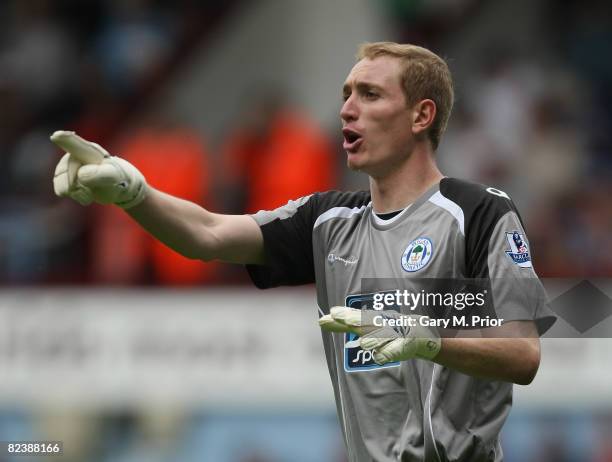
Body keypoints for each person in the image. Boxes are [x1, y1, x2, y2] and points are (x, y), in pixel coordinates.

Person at [51, 42, 555, 462]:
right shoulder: (328, 222)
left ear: (422, 115)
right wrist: (131, 192)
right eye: (346, 94)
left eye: (370, 94)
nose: (347, 108)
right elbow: (205, 233)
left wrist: (425, 340)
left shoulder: (479, 213)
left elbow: (524, 354)